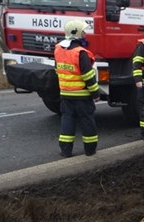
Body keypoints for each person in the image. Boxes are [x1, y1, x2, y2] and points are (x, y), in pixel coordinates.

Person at [54, 19, 100, 158]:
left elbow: (57, 69)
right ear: (78, 33)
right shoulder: (80, 53)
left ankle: (65, 150)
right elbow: (88, 76)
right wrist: (95, 93)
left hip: (65, 94)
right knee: (87, 122)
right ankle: (90, 150)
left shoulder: (58, 49)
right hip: (82, 96)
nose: (86, 33)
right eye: (84, 31)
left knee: (67, 121)